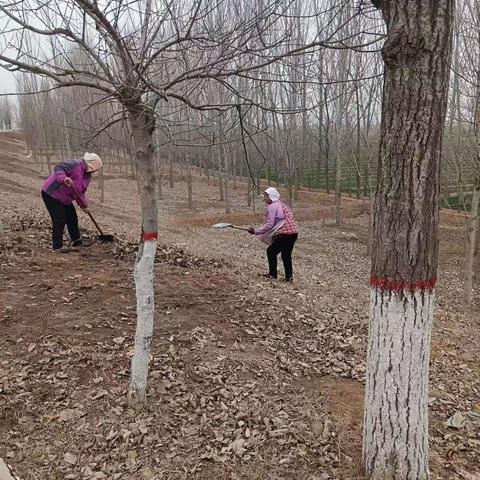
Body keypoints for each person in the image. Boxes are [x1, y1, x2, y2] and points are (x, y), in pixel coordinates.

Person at [41, 153, 103, 253]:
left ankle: (77, 241)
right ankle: (57, 246)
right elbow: (59, 168)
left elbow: (80, 192)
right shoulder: (75, 164)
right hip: (51, 193)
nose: (96, 171)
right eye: (96, 168)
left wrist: (83, 205)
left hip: (65, 198)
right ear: (91, 165)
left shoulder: (87, 176)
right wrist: (64, 178)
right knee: (60, 218)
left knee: (72, 217)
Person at [248, 187, 299, 282]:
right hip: (294, 233)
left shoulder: (272, 207)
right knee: (286, 255)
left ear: (271, 197)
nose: (264, 198)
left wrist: (256, 231)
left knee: (271, 251)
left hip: (286, 234)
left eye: (265, 196)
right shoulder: (281, 204)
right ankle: (289, 277)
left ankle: (273, 275)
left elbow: (270, 224)